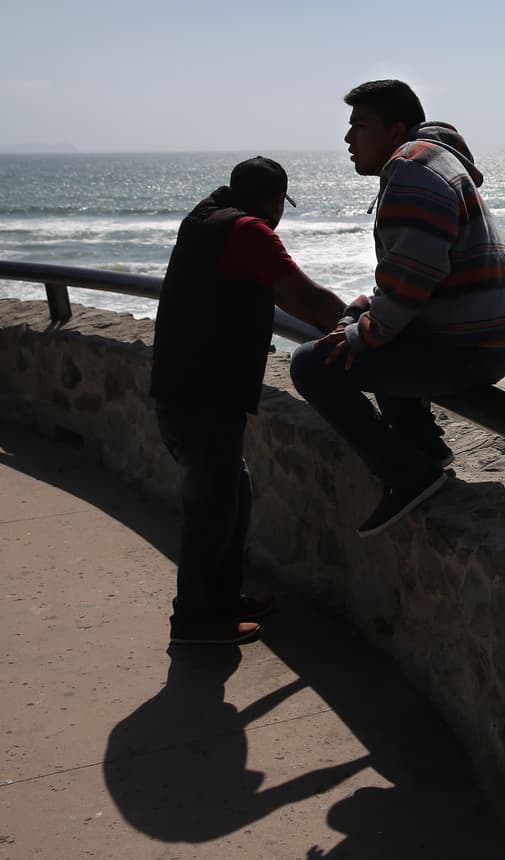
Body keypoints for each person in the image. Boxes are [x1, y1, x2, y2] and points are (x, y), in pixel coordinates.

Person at [290, 80, 505, 539]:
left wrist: (357, 334)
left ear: (395, 129)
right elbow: (404, 276)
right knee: (373, 334)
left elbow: (411, 284)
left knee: (310, 365)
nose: (348, 140)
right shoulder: (428, 161)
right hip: (478, 337)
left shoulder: (411, 171)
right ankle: (424, 446)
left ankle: (409, 475)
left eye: (359, 127)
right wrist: (358, 315)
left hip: (466, 347)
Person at [151, 157, 347, 644]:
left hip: (182, 386)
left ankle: (219, 599)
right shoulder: (249, 233)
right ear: (274, 200)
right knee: (211, 509)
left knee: (229, 496)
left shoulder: (203, 218)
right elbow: (304, 300)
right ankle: (196, 621)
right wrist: (362, 325)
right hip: (206, 394)